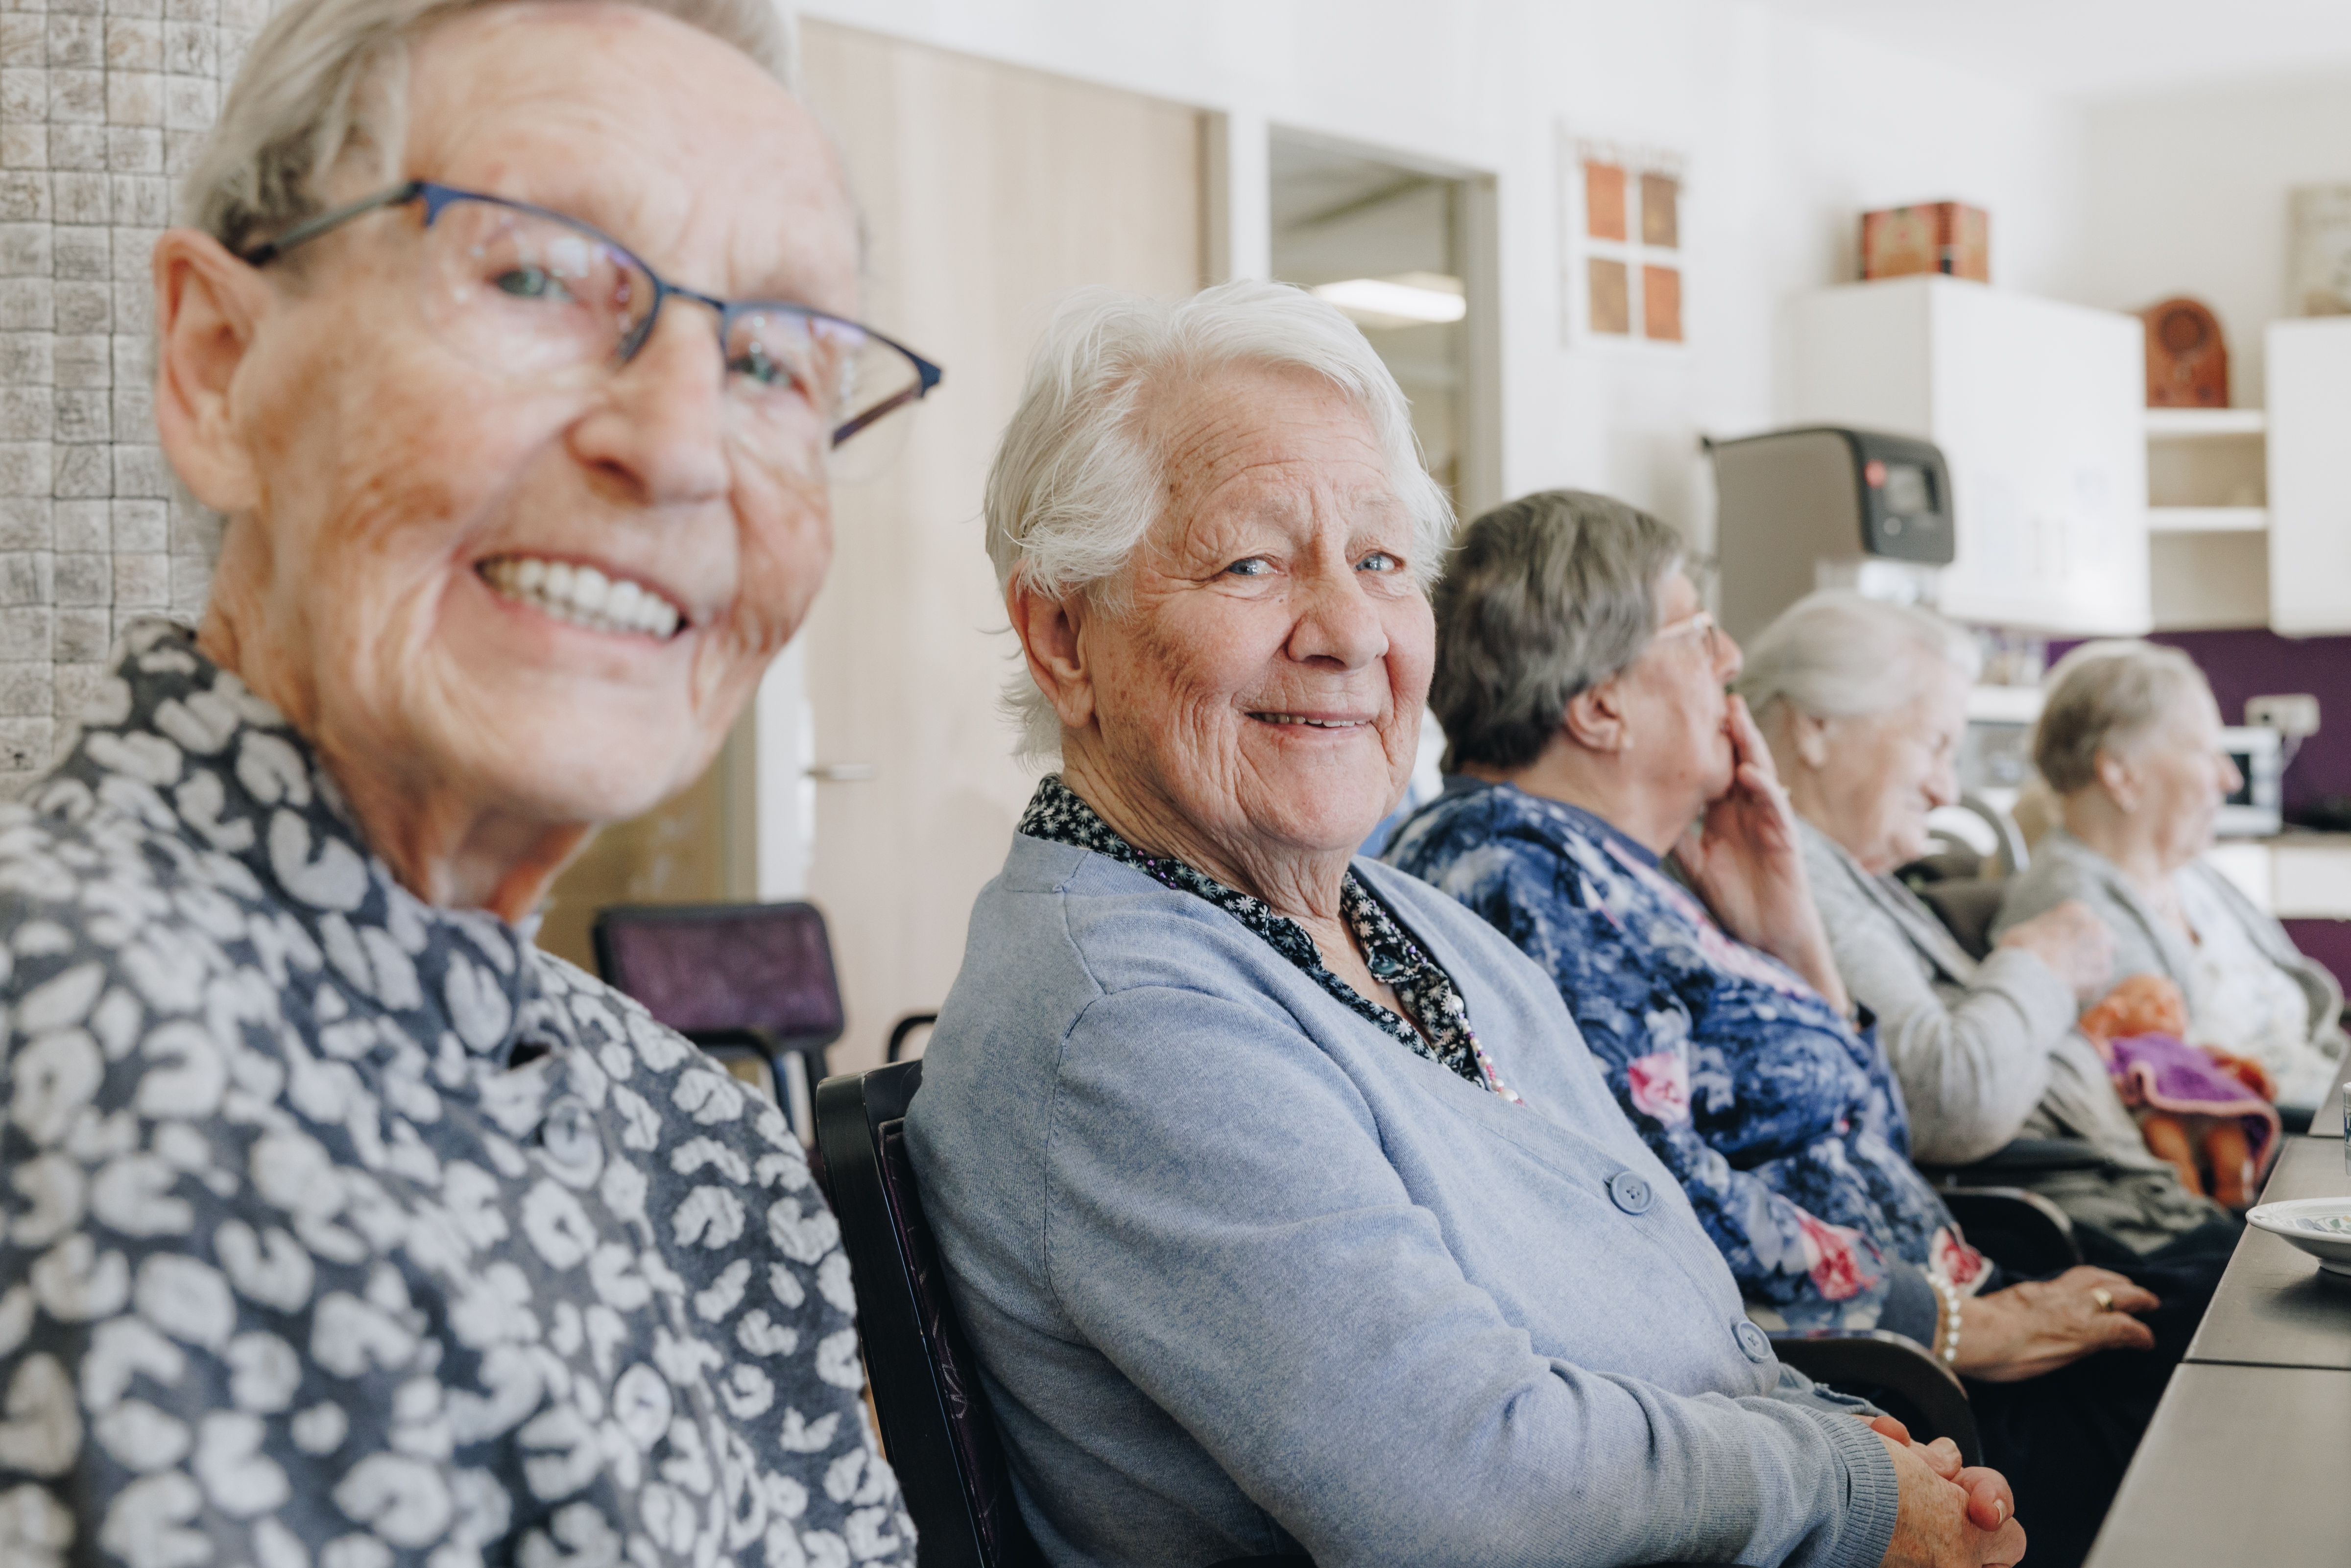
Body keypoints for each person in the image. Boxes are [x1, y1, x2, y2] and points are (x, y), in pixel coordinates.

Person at [0, 1, 941, 1563]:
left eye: (776, 361)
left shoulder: (694, 1140)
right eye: (536, 273)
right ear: (220, 365)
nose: (684, 442)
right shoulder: (61, 1047)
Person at [907, 284, 2023, 1568]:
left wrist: (1848, 1439)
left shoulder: (1408, 922)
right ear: (1062, 635)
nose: (1347, 633)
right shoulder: (1124, 1020)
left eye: (1382, 563)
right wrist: (1848, 1483)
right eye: (1253, 563)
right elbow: (1474, 1485)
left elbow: (1671, 1305)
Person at [1385, 491, 2185, 1568]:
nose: (1730, 651)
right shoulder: (1520, 873)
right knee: (2214, 1404)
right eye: (1693, 628)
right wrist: (1950, 1323)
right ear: (1599, 705)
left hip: (1920, 1330)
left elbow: (1871, 1123)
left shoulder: (1632, 869)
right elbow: (1644, 1197)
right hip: (1859, 1381)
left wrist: (1789, 927)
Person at [1741, 591, 2237, 1257]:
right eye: (1935, 744)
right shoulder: (1789, 877)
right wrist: (2041, 965)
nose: (1947, 791)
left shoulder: (1842, 871)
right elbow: (1951, 1099)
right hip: (2070, 1234)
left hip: (2117, 1207)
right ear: (1816, 727)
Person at [1994, 640, 2348, 1115]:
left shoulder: (2194, 878)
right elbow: (2175, 1097)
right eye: (2207, 753)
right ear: (2121, 773)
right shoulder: (2067, 908)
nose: (2230, 779)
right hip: (2277, 1150)